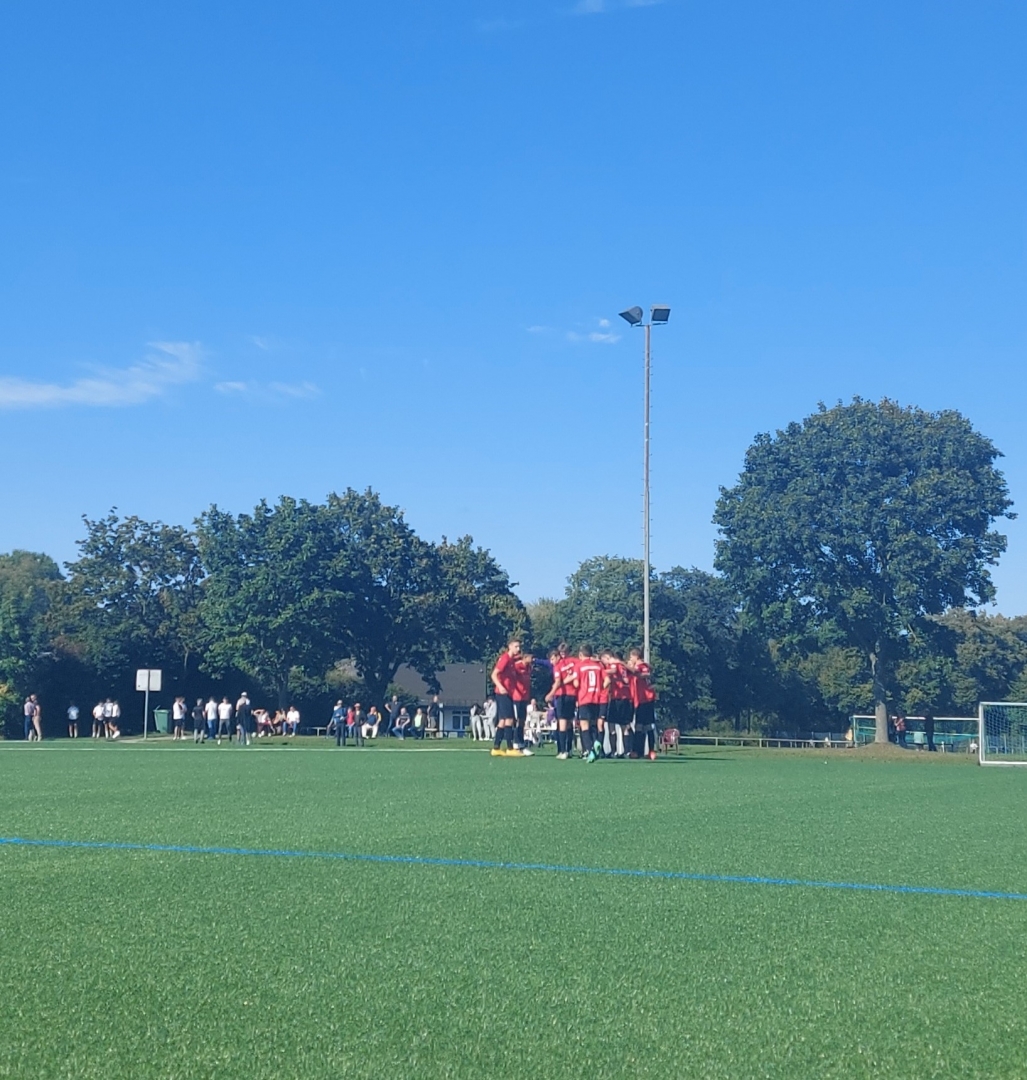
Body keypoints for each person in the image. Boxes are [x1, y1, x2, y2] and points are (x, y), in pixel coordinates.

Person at [490, 639, 525, 757]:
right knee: (509, 719)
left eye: (519, 647)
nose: (518, 649)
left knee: (502, 720)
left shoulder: (511, 660)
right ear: (509, 646)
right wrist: (500, 687)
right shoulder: (505, 659)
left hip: (507, 693)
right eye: (516, 646)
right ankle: (510, 748)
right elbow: (494, 674)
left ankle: (496, 748)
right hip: (503, 693)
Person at [546, 643, 578, 761]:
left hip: (562, 695)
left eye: (552, 659)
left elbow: (558, 681)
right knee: (569, 722)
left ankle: (563, 751)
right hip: (573, 695)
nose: (551, 662)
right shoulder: (574, 661)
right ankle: (569, 749)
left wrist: (551, 693)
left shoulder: (558, 665)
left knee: (562, 722)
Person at [627, 648, 658, 760]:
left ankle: (648, 751)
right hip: (640, 700)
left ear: (636, 656)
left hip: (646, 700)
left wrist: (626, 666)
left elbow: (645, 674)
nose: (630, 659)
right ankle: (639, 751)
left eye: (631, 657)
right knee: (641, 726)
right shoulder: (639, 667)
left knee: (646, 726)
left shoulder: (642, 666)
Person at [603, 650, 634, 758]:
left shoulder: (614, 665)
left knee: (611, 726)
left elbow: (614, 670)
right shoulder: (625, 666)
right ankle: (626, 751)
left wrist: (602, 671)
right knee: (624, 726)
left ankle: (614, 751)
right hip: (626, 698)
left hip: (617, 698)